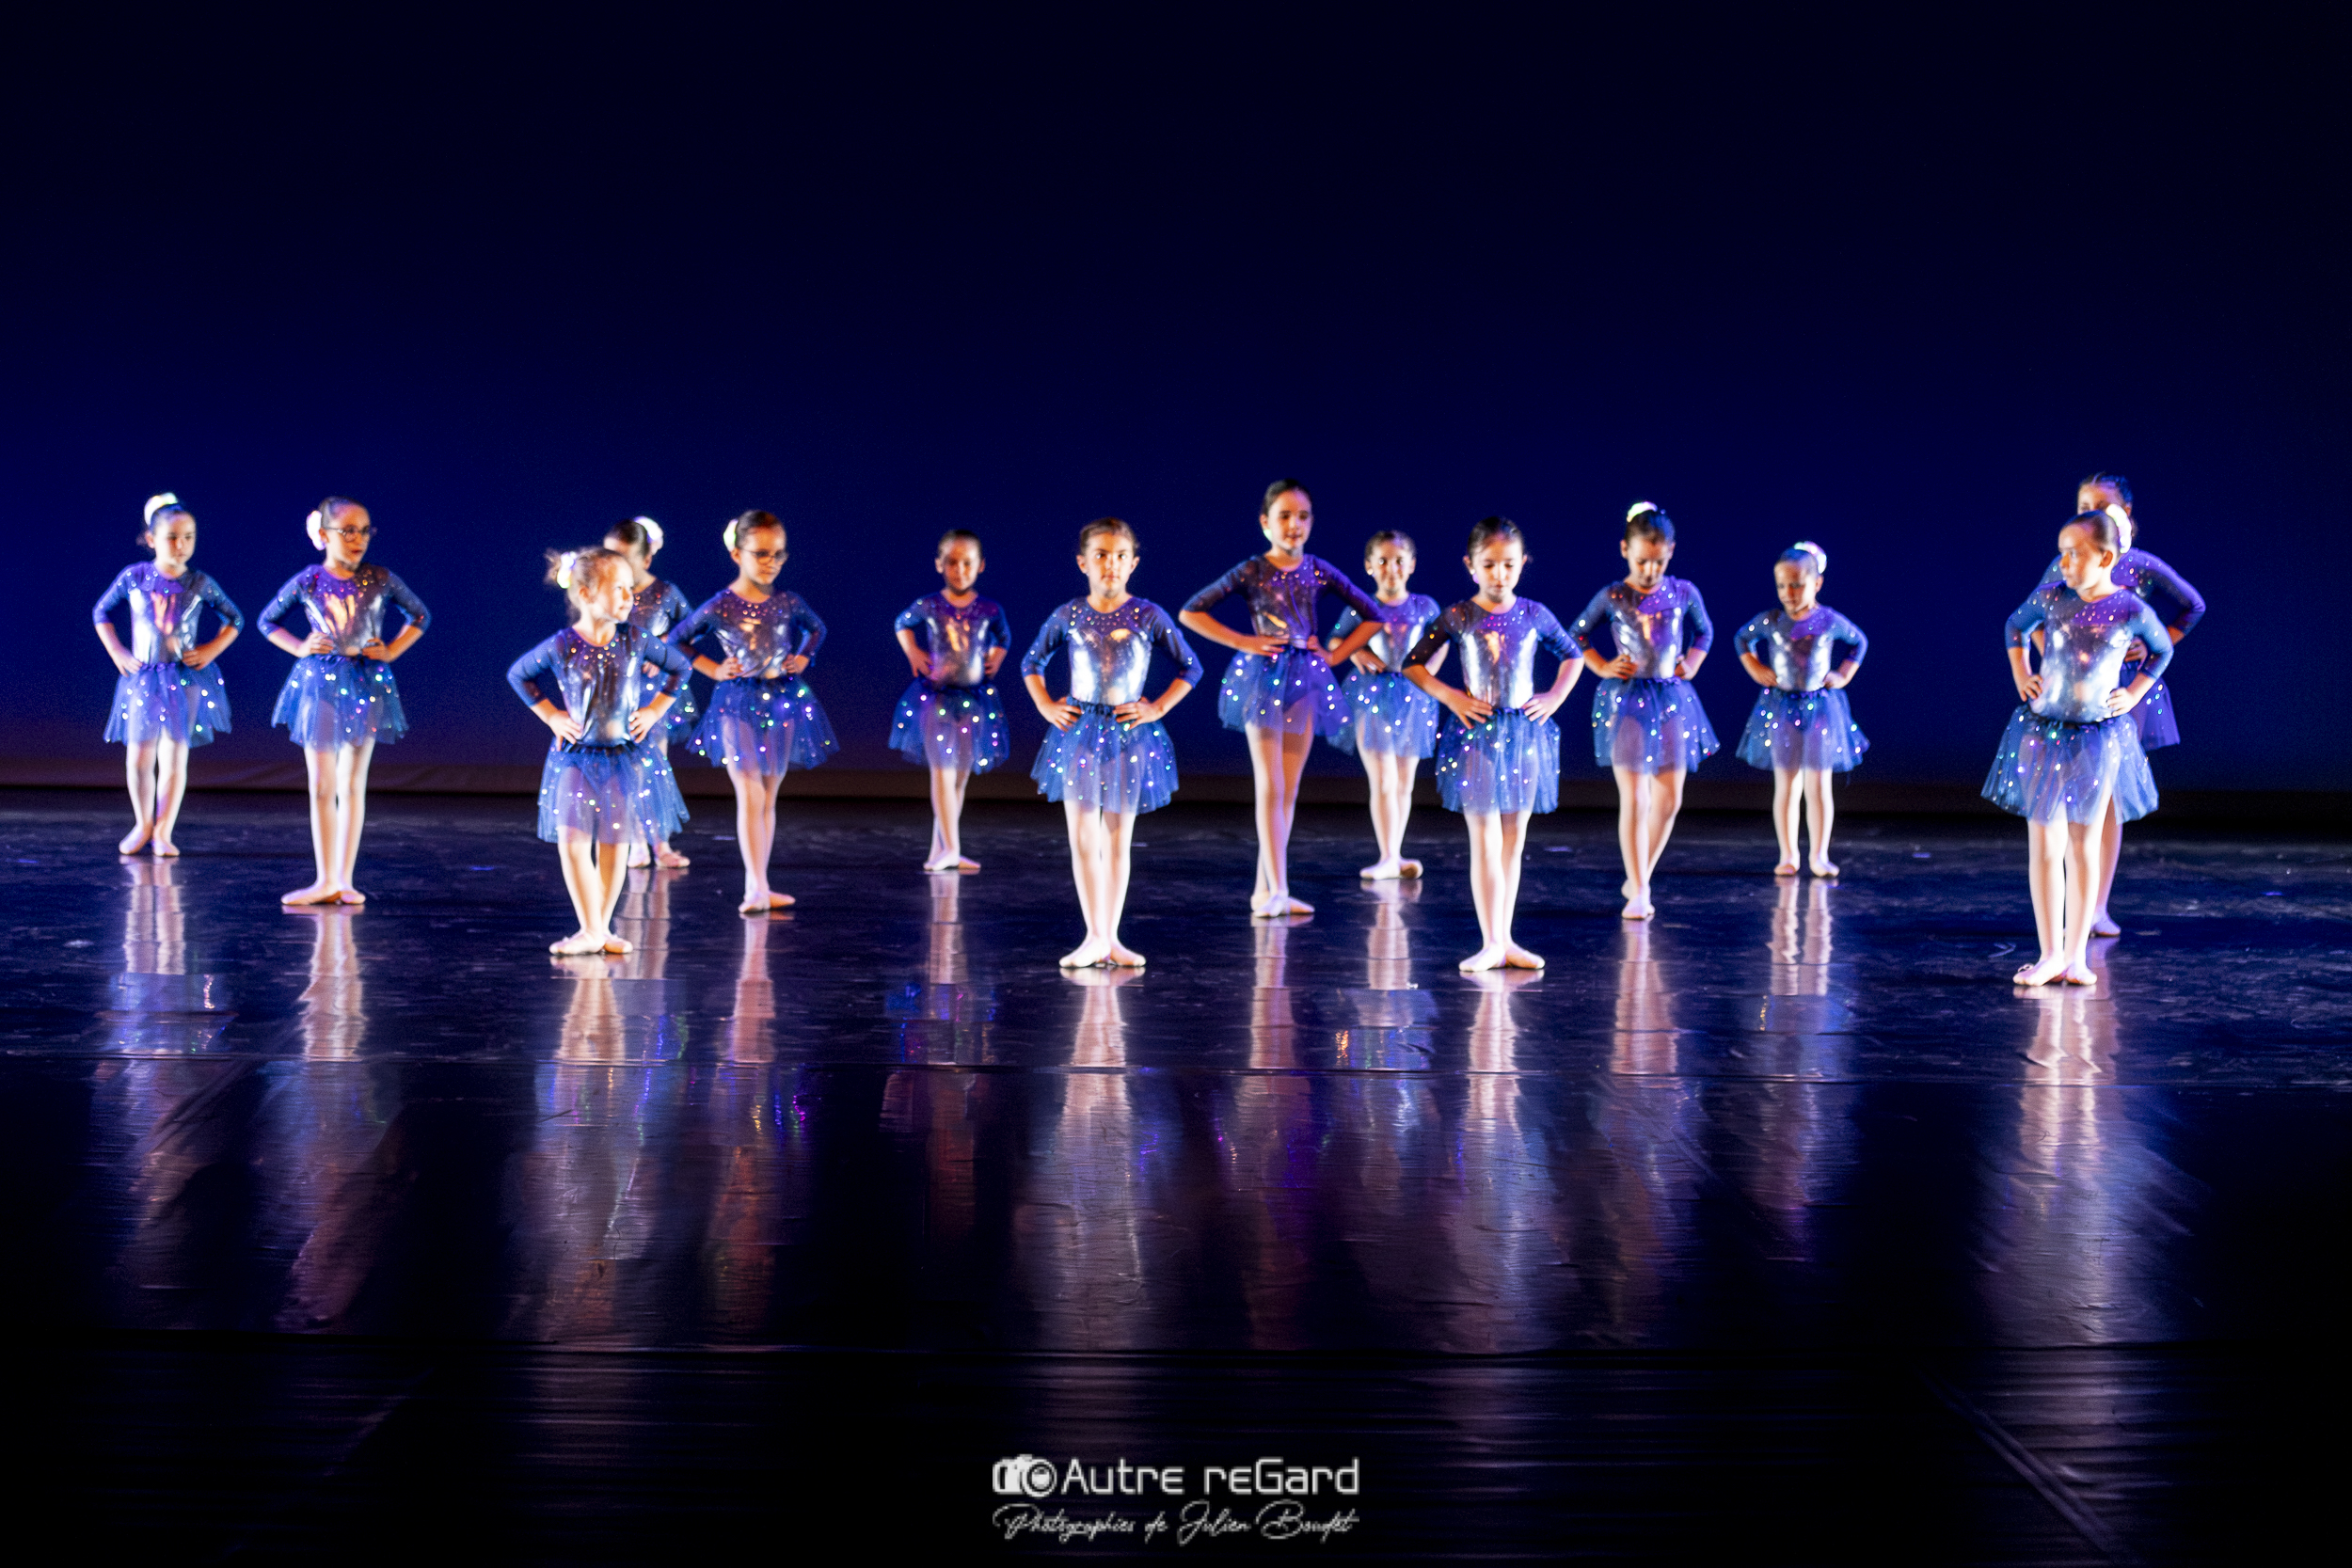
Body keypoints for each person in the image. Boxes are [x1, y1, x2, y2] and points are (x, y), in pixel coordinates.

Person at [1983, 509, 2172, 987]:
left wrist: (2135, 691)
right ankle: (2049, 954)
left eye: (2074, 555)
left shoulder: (2129, 609)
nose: (2063, 563)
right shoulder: (2051, 597)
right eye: (2062, 554)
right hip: (2043, 733)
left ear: (2105, 558)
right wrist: (2022, 672)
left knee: (2083, 847)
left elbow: (2161, 649)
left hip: (2098, 738)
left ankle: (2077, 957)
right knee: (2045, 844)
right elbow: (2014, 626)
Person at [1179, 479, 1381, 917]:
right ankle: (1278, 890)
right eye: (1284, 516)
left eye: (1302, 516)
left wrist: (1334, 655)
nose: (1294, 524)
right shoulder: (1252, 570)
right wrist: (1243, 642)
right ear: (1265, 523)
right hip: (1263, 678)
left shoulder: (1319, 569)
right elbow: (1191, 611)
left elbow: (1373, 615)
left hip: (1305, 678)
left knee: (1287, 791)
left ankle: (1265, 889)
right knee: (1270, 787)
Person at [1403, 517, 1580, 971]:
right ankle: (1490, 941)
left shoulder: (1535, 614)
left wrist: (1554, 697)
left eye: (1508, 565)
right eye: (1489, 565)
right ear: (1471, 565)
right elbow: (1414, 663)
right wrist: (1451, 696)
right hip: (1478, 736)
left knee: (1513, 843)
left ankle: (1506, 939)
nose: (1499, 574)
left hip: (1523, 736)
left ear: (1523, 563)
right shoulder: (1459, 615)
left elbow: (1572, 655)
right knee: (1485, 839)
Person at [1023, 517, 1200, 967]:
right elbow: (1031, 662)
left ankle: (1111, 936)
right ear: (1083, 562)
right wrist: (1045, 705)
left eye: (1120, 556)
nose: (1111, 564)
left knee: (1118, 839)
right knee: (1083, 837)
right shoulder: (1069, 614)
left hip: (1129, 736)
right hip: (1079, 734)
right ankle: (1094, 936)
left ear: (1133, 563)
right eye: (1101, 555)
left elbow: (1191, 667)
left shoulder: (1148, 615)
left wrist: (1157, 708)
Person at [2037, 472, 2204, 935]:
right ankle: (2067, 905)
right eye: (2083, 505)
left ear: (2124, 514)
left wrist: (2152, 645)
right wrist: (2051, 665)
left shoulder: (2139, 566)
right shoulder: (2066, 563)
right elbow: (2034, 617)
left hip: (2121, 690)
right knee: (2069, 792)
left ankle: (2096, 906)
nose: (2090, 512)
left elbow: (2193, 606)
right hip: (2072, 695)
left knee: (2107, 796)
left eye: (2101, 505)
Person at [507, 547, 693, 955]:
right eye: (619, 589)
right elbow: (520, 675)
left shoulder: (635, 639)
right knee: (573, 843)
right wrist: (552, 716)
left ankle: (602, 929)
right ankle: (589, 928)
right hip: (575, 757)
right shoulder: (563, 645)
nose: (630, 597)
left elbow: (681, 668)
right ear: (586, 594)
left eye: (631, 588)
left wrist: (654, 710)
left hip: (624, 758)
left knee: (614, 843)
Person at [258, 497, 430, 905]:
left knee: (352, 783)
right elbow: (267, 621)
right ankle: (324, 879)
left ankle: (344, 880)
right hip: (320, 684)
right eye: (348, 531)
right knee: (322, 784)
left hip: (366, 682)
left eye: (364, 530)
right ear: (324, 535)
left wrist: (391, 650)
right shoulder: (309, 580)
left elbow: (419, 615)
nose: (358, 539)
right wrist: (300, 647)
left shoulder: (380, 578)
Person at [670, 509, 837, 913]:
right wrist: (713, 669)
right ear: (737, 554)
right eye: (761, 553)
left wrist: (804, 657)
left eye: (778, 554)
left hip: (783, 700)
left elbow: (817, 628)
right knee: (751, 792)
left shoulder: (788, 602)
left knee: (768, 796)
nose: (771, 562)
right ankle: (755, 887)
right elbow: (677, 639)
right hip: (737, 703)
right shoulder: (721, 605)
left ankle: (760, 884)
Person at [1568, 501, 1717, 921]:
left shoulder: (1683, 592)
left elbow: (1705, 631)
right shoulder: (1614, 596)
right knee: (1635, 798)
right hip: (1628, 702)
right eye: (1641, 562)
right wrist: (1601, 666)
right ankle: (1639, 889)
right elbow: (1577, 634)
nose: (1650, 571)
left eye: (1658, 562)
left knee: (1669, 799)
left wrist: (1693, 661)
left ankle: (1640, 876)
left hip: (1671, 699)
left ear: (1670, 552)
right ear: (1624, 550)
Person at [92, 493, 243, 856]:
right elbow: (101, 612)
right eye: (172, 537)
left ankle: (163, 830)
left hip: (184, 679)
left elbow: (234, 619)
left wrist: (210, 650)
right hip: (143, 678)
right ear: (151, 539)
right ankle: (142, 823)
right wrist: (117, 652)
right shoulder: (134, 577)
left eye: (188, 537)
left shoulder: (199, 582)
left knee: (174, 756)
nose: (181, 545)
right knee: (139, 757)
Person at [1732, 541, 1868, 877]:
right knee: (1787, 785)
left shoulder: (1828, 620)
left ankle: (1819, 855)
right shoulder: (1771, 620)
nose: (1788, 593)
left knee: (1818, 786)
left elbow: (1858, 642)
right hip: (1781, 707)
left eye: (1796, 585)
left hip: (1820, 709)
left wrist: (1843, 674)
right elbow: (1741, 639)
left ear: (1816, 583)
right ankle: (1788, 854)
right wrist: (1755, 668)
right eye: (1782, 586)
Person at [890, 529, 1013, 872]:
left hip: (974, 701)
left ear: (981, 565)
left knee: (959, 778)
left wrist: (997, 657)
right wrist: (913, 651)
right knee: (942, 774)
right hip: (936, 699)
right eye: (952, 562)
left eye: (967, 563)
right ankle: (953, 849)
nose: (960, 570)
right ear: (939, 564)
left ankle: (941, 849)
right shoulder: (930, 605)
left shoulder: (989, 608)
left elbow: (1004, 637)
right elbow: (902, 623)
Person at [1328, 531, 1444, 879]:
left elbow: (1440, 641)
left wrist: (1427, 673)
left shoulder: (1425, 606)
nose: (1391, 568)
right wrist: (1357, 653)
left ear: (1411, 565)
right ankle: (1387, 856)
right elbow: (1335, 639)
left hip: (1413, 699)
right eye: (1382, 561)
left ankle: (1396, 853)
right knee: (1384, 779)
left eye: (1398, 561)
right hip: (1372, 696)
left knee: (1405, 783)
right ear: (1369, 566)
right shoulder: (1362, 605)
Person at [604, 515, 695, 869]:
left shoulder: (665, 593)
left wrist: (663, 650)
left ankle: (661, 844)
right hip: (616, 692)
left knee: (654, 767)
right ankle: (637, 844)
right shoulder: (608, 592)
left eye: (625, 559)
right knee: (624, 770)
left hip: (654, 696)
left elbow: (692, 629)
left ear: (646, 558)